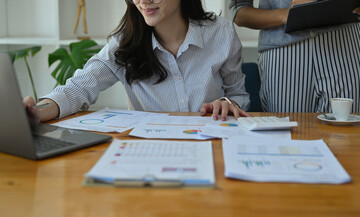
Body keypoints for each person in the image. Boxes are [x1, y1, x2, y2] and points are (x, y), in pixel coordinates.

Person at [24, 0, 251, 126]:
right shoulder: (125, 44)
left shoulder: (221, 33)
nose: (143, 1)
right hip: (150, 154)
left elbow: (238, 95)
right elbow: (78, 88)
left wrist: (226, 102)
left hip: (213, 147)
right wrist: (35, 112)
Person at [229, 0, 360, 113]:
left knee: (345, 130)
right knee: (287, 134)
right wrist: (286, 14)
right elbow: (240, 12)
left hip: (343, 42)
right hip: (284, 51)